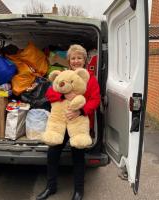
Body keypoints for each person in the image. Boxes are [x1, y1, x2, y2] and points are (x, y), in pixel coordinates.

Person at [36, 44, 101, 200]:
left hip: (78, 123)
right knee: (52, 154)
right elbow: (50, 92)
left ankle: (78, 191)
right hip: (61, 124)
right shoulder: (63, 76)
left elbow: (95, 100)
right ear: (69, 60)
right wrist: (64, 96)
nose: (76, 61)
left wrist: (81, 110)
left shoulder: (90, 79)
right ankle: (51, 187)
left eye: (79, 58)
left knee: (78, 156)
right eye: (73, 58)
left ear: (84, 60)